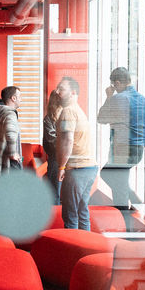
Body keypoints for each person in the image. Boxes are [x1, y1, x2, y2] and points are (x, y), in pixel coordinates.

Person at [96, 67, 145, 208]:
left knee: (115, 182)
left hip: (123, 148)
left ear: (117, 83)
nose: (113, 88)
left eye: (113, 86)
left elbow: (101, 118)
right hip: (138, 149)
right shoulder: (142, 98)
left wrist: (109, 96)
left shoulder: (119, 98)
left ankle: (124, 215)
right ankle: (135, 204)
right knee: (119, 180)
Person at [54, 76, 98, 230]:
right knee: (81, 212)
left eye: (62, 89)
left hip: (77, 168)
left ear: (72, 93)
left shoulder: (68, 112)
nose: (57, 92)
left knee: (70, 214)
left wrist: (61, 167)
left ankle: (72, 251)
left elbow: (68, 140)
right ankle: (83, 248)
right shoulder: (79, 111)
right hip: (89, 167)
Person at [0, 85, 22, 179]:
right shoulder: (10, 114)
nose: (21, 100)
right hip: (9, 163)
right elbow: (10, 134)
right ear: (13, 98)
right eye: (20, 97)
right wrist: (12, 153)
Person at [41, 89, 62, 201]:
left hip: (63, 158)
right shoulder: (49, 118)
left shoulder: (67, 115)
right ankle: (56, 216)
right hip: (56, 158)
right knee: (55, 192)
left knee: (58, 192)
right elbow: (51, 140)